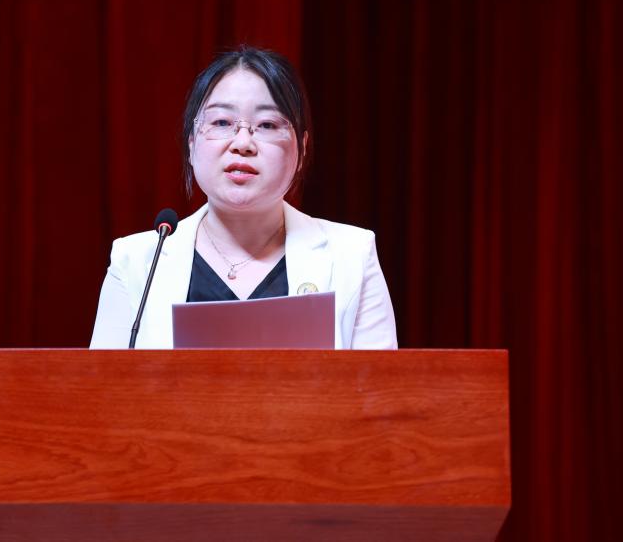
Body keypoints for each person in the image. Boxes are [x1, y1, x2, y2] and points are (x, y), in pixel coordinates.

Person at [90, 47, 397, 349]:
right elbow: (102, 381)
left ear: (302, 149)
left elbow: (379, 382)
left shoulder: (352, 256)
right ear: (192, 143)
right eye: (222, 122)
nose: (242, 143)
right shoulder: (136, 262)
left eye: (267, 125)